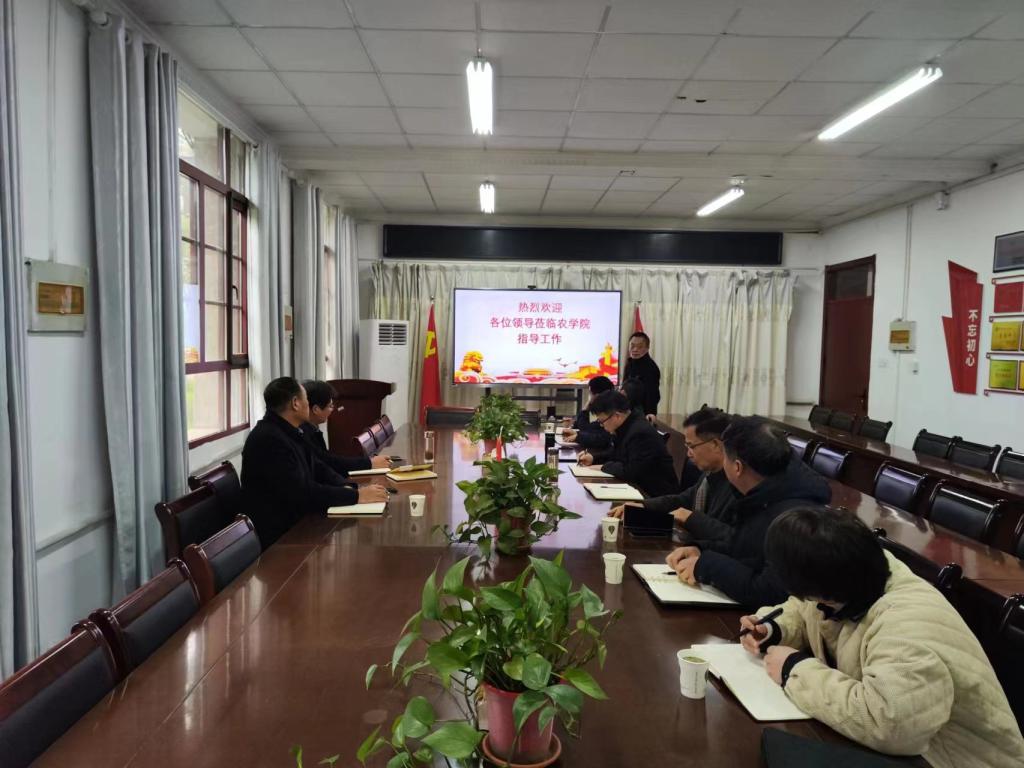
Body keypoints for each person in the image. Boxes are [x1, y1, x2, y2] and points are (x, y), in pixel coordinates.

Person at [740, 507, 1024, 768]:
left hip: (953, 759)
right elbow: (806, 610)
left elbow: (892, 725)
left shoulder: (908, 625)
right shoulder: (847, 574)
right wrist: (773, 628)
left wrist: (793, 670)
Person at [665, 415, 831, 606]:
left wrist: (706, 566)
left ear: (737, 467)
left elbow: (769, 592)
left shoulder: (794, 517)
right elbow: (745, 548)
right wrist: (700, 550)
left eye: (725, 458)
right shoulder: (765, 491)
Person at [241, 377, 388, 547]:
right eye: (306, 399)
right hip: (281, 537)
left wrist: (348, 487)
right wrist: (356, 496)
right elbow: (302, 492)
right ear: (295, 403)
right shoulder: (268, 439)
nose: (309, 404)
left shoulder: (289, 430)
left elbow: (318, 466)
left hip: (299, 520)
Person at [610, 406, 738, 551]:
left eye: (692, 446)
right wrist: (642, 506)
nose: (688, 454)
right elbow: (683, 499)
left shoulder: (739, 483)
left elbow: (737, 539)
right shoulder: (710, 474)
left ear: (715, 445)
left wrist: (691, 518)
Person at [578, 389, 677, 497]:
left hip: (653, 495)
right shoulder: (627, 425)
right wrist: (593, 458)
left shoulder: (639, 432)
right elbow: (616, 454)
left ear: (617, 416)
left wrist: (603, 467)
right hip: (637, 488)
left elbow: (630, 471)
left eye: (602, 421)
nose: (601, 425)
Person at [301, 379, 391, 475]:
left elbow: (328, 459)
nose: (332, 410)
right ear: (316, 409)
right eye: (330, 406)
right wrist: (369, 463)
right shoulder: (303, 434)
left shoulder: (312, 428)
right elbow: (328, 462)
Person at [561, 375, 615, 450]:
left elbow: (602, 437)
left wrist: (578, 436)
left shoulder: (609, 411)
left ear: (597, 396)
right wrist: (577, 434)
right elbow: (588, 428)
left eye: (590, 394)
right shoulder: (606, 408)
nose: (589, 397)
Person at [622, 331, 660, 423]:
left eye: (640, 347)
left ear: (647, 348)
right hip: (628, 410)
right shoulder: (630, 363)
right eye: (632, 346)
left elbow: (652, 395)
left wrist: (650, 414)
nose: (635, 349)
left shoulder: (651, 368)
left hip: (642, 413)